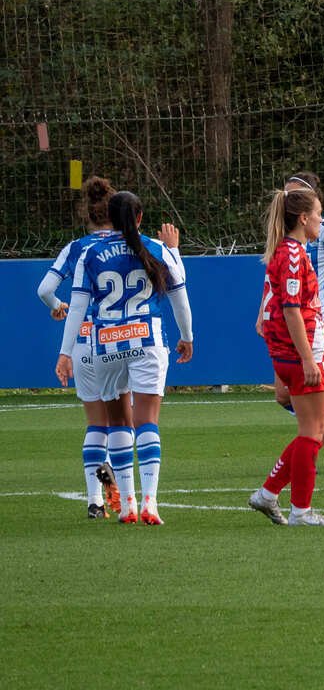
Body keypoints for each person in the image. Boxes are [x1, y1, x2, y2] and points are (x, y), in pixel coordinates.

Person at [56, 190, 193, 525]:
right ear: (140, 217)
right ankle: (150, 503)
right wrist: (187, 337)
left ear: (109, 218)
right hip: (148, 340)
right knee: (146, 420)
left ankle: (127, 504)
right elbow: (179, 296)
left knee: (117, 422)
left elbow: (75, 307)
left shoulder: (91, 252)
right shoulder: (157, 248)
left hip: (107, 344)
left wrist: (64, 352)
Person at [249, 186, 324, 525]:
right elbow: (290, 310)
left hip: (297, 353)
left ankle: (268, 493)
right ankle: (301, 510)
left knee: (319, 430)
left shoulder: (291, 251)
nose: (321, 219)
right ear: (303, 218)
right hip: (302, 354)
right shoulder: (291, 255)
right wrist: (307, 359)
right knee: (312, 432)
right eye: (318, 213)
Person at [38, 176, 128, 518]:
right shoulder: (126, 244)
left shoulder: (76, 248)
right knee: (122, 420)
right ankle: (126, 493)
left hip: (82, 342)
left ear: (86, 216)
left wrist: (57, 306)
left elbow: (44, 290)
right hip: (119, 339)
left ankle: (95, 501)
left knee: (96, 424)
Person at [256, 172, 324, 470]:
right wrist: (262, 312)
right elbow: (272, 280)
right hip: (293, 319)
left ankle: (316, 438)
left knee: (309, 390)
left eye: (295, 193)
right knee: (282, 395)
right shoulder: (284, 240)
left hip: (318, 321)